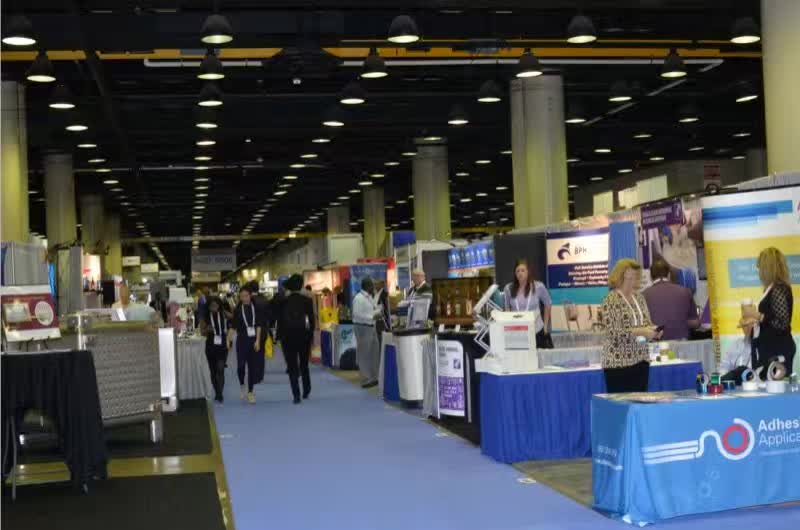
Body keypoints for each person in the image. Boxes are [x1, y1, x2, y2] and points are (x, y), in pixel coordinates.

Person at [601, 259, 663, 393]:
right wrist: (642, 331)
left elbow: (647, 323)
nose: (638, 277)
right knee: (621, 404)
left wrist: (653, 332)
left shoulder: (639, 298)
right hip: (619, 364)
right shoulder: (610, 300)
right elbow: (614, 333)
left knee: (639, 403)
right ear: (625, 274)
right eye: (635, 274)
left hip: (641, 361)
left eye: (638, 274)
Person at [742, 247, 795, 377]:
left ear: (768, 268)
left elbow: (782, 323)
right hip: (770, 348)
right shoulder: (772, 288)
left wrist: (757, 315)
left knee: (776, 387)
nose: (759, 271)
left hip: (778, 350)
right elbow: (771, 319)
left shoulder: (779, 289)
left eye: (760, 267)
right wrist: (754, 322)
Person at [276, 274, 316, 403]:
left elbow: (279, 321)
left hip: (288, 337)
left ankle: (296, 395)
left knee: (292, 366)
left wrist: (279, 336)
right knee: (304, 364)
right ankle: (306, 389)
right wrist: (311, 336)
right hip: (304, 336)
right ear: (301, 286)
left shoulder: (283, 301)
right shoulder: (307, 301)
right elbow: (311, 321)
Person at [642, 258, 699, 340]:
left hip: (655, 345)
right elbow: (696, 323)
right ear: (669, 274)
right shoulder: (685, 291)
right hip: (682, 344)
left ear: (651, 277)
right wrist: (680, 321)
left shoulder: (643, 295)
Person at [502, 259, 553, 348]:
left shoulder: (538, 286)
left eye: (523, 270)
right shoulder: (508, 288)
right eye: (517, 271)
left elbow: (548, 304)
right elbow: (507, 308)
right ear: (515, 273)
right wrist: (509, 328)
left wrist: (545, 326)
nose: (520, 273)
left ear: (528, 272)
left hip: (537, 330)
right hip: (518, 332)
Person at [227, 286, 264, 404]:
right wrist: (228, 339)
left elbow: (259, 325)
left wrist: (258, 340)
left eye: (246, 296)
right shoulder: (238, 310)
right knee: (241, 366)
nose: (244, 298)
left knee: (252, 367)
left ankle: (251, 392)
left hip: (253, 341)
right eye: (242, 296)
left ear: (250, 296)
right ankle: (242, 385)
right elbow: (233, 327)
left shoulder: (256, 308)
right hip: (242, 341)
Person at [353, 277, 381, 388]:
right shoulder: (358, 298)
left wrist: (377, 311)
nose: (373, 287)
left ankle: (374, 377)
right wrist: (372, 316)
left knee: (374, 352)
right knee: (364, 354)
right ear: (367, 286)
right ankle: (366, 379)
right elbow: (357, 314)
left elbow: (370, 310)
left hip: (371, 327)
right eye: (372, 285)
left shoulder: (369, 297)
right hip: (362, 328)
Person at [201, 297, 229, 403]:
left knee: (220, 368)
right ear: (208, 306)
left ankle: (220, 393)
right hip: (211, 345)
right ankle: (217, 392)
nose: (214, 307)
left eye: (216, 305)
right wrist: (206, 330)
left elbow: (234, 317)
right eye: (212, 305)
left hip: (222, 344)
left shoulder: (223, 313)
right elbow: (202, 332)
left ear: (219, 305)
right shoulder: (205, 317)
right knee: (213, 372)